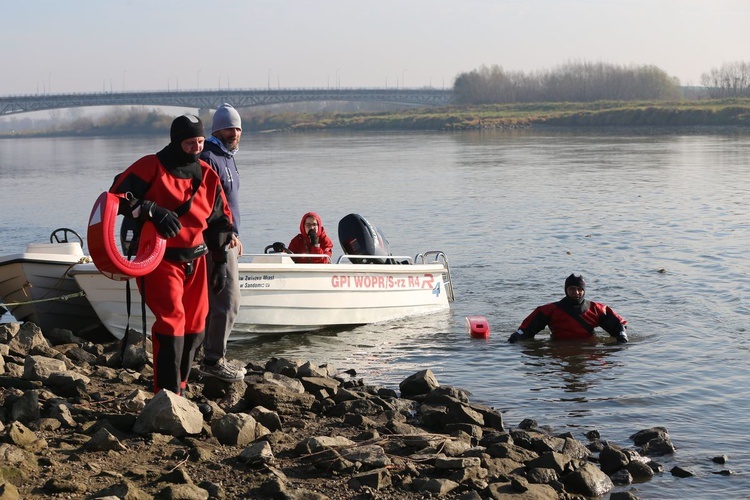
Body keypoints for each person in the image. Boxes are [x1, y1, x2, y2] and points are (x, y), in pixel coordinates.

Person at [110, 114, 233, 395]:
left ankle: (181, 385)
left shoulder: (207, 174)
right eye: (191, 142)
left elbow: (219, 222)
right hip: (159, 257)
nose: (197, 147)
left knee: (196, 325)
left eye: (201, 141)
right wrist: (151, 210)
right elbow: (116, 197)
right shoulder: (150, 167)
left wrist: (220, 264)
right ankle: (166, 393)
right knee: (172, 321)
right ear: (177, 141)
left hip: (198, 258)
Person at [198, 103, 246, 382]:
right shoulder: (210, 158)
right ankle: (213, 360)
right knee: (228, 302)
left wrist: (235, 234)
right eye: (230, 127)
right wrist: (224, 236)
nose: (235, 132)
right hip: (214, 241)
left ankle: (208, 357)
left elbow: (228, 202)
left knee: (217, 302)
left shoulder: (227, 157)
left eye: (238, 127)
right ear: (217, 129)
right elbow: (208, 205)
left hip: (228, 238)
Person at [508, 274, 629, 343]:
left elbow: (618, 327)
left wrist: (622, 337)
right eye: (571, 289)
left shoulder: (597, 309)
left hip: (588, 348)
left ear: (584, 290)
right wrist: (515, 338)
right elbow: (527, 330)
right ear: (566, 290)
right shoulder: (549, 310)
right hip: (558, 346)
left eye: (579, 289)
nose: (576, 292)